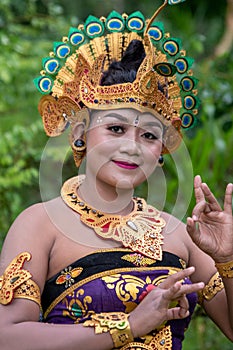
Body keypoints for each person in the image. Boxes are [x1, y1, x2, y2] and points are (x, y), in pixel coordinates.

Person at [0, 1, 233, 349]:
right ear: (80, 132)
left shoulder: (181, 235)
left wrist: (227, 258)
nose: (133, 147)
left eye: (150, 136)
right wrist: (131, 324)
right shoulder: (41, 224)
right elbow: (8, 337)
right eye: (116, 129)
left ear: (161, 154)